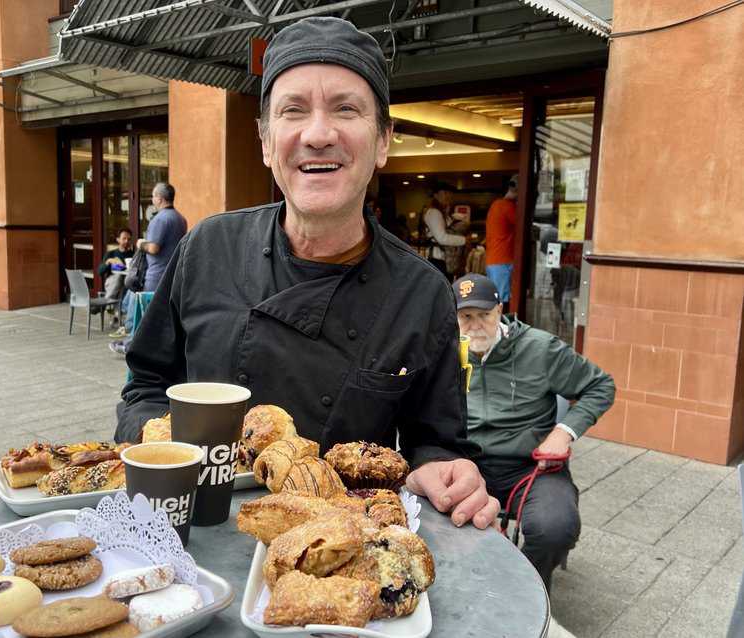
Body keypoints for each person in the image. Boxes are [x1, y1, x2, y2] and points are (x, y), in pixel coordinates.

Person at [114, 16, 499, 530]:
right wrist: (160, 448)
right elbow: (145, 385)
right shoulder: (208, 247)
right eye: (293, 111)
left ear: (383, 140)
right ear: (267, 141)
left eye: (346, 108)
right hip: (194, 538)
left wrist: (445, 473)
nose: (318, 134)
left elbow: (437, 441)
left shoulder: (422, 291)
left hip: (340, 552)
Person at [453, 273, 614, 593]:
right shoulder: (443, 352)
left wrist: (563, 433)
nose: (474, 325)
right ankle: (464, 588)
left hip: (531, 466)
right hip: (465, 463)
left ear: (500, 310)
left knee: (556, 528)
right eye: (465, 317)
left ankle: (523, 589)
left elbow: (601, 385)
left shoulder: (540, 349)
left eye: (483, 315)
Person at [109, 184, 186, 354]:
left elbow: (154, 248)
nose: (152, 200)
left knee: (142, 314)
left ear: (159, 198)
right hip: (173, 273)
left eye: (153, 196)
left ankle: (131, 347)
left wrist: (140, 243)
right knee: (166, 315)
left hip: (155, 275)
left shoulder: (159, 219)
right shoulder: (180, 219)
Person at [484, 174, 518, 310]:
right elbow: (523, 225)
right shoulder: (507, 207)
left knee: (497, 299)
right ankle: (501, 330)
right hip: (503, 260)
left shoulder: (496, 205)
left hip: (495, 259)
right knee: (502, 302)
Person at [422, 182, 465, 280]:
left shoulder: (441, 212)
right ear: (436, 195)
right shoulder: (434, 212)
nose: (448, 196)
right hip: (438, 261)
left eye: (449, 193)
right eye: (444, 193)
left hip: (443, 261)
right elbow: (442, 238)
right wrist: (464, 240)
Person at [98, 227, 134, 329]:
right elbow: (100, 271)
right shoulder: (111, 254)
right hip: (112, 283)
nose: (127, 241)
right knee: (119, 279)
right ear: (118, 239)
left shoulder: (133, 254)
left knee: (126, 285)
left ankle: (107, 306)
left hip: (125, 284)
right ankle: (115, 313)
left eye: (129, 239)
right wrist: (108, 262)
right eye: (124, 238)